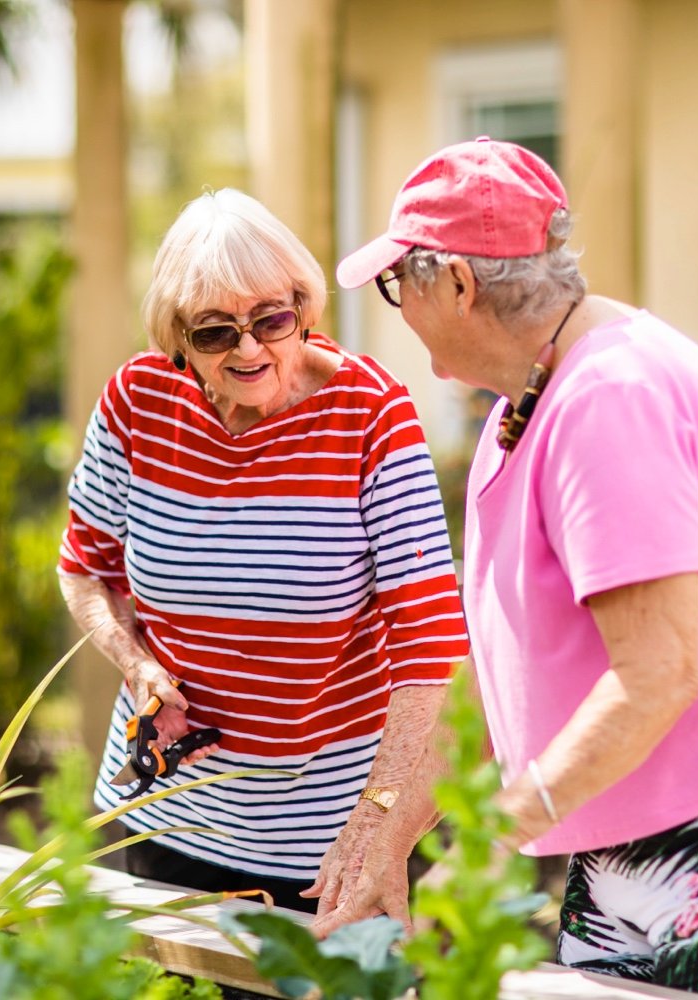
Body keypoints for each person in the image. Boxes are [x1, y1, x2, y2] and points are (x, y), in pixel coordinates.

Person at [318, 138, 698, 1000]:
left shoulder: (612, 398)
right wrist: (391, 829)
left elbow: (656, 674)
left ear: (457, 284)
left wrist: (494, 836)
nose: (394, 308)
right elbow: (499, 676)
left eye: (397, 283)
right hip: (633, 816)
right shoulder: (530, 397)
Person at [58, 189, 469, 913]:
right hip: (165, 815)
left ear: (304, 309)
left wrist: (377, 825)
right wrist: (138, 663)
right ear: (178, 337)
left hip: (332, 839)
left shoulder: (372, 416)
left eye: (271, 320)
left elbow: (431, 650)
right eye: (216, 333)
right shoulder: (136, 403)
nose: (249, 349)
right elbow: (85, 568)